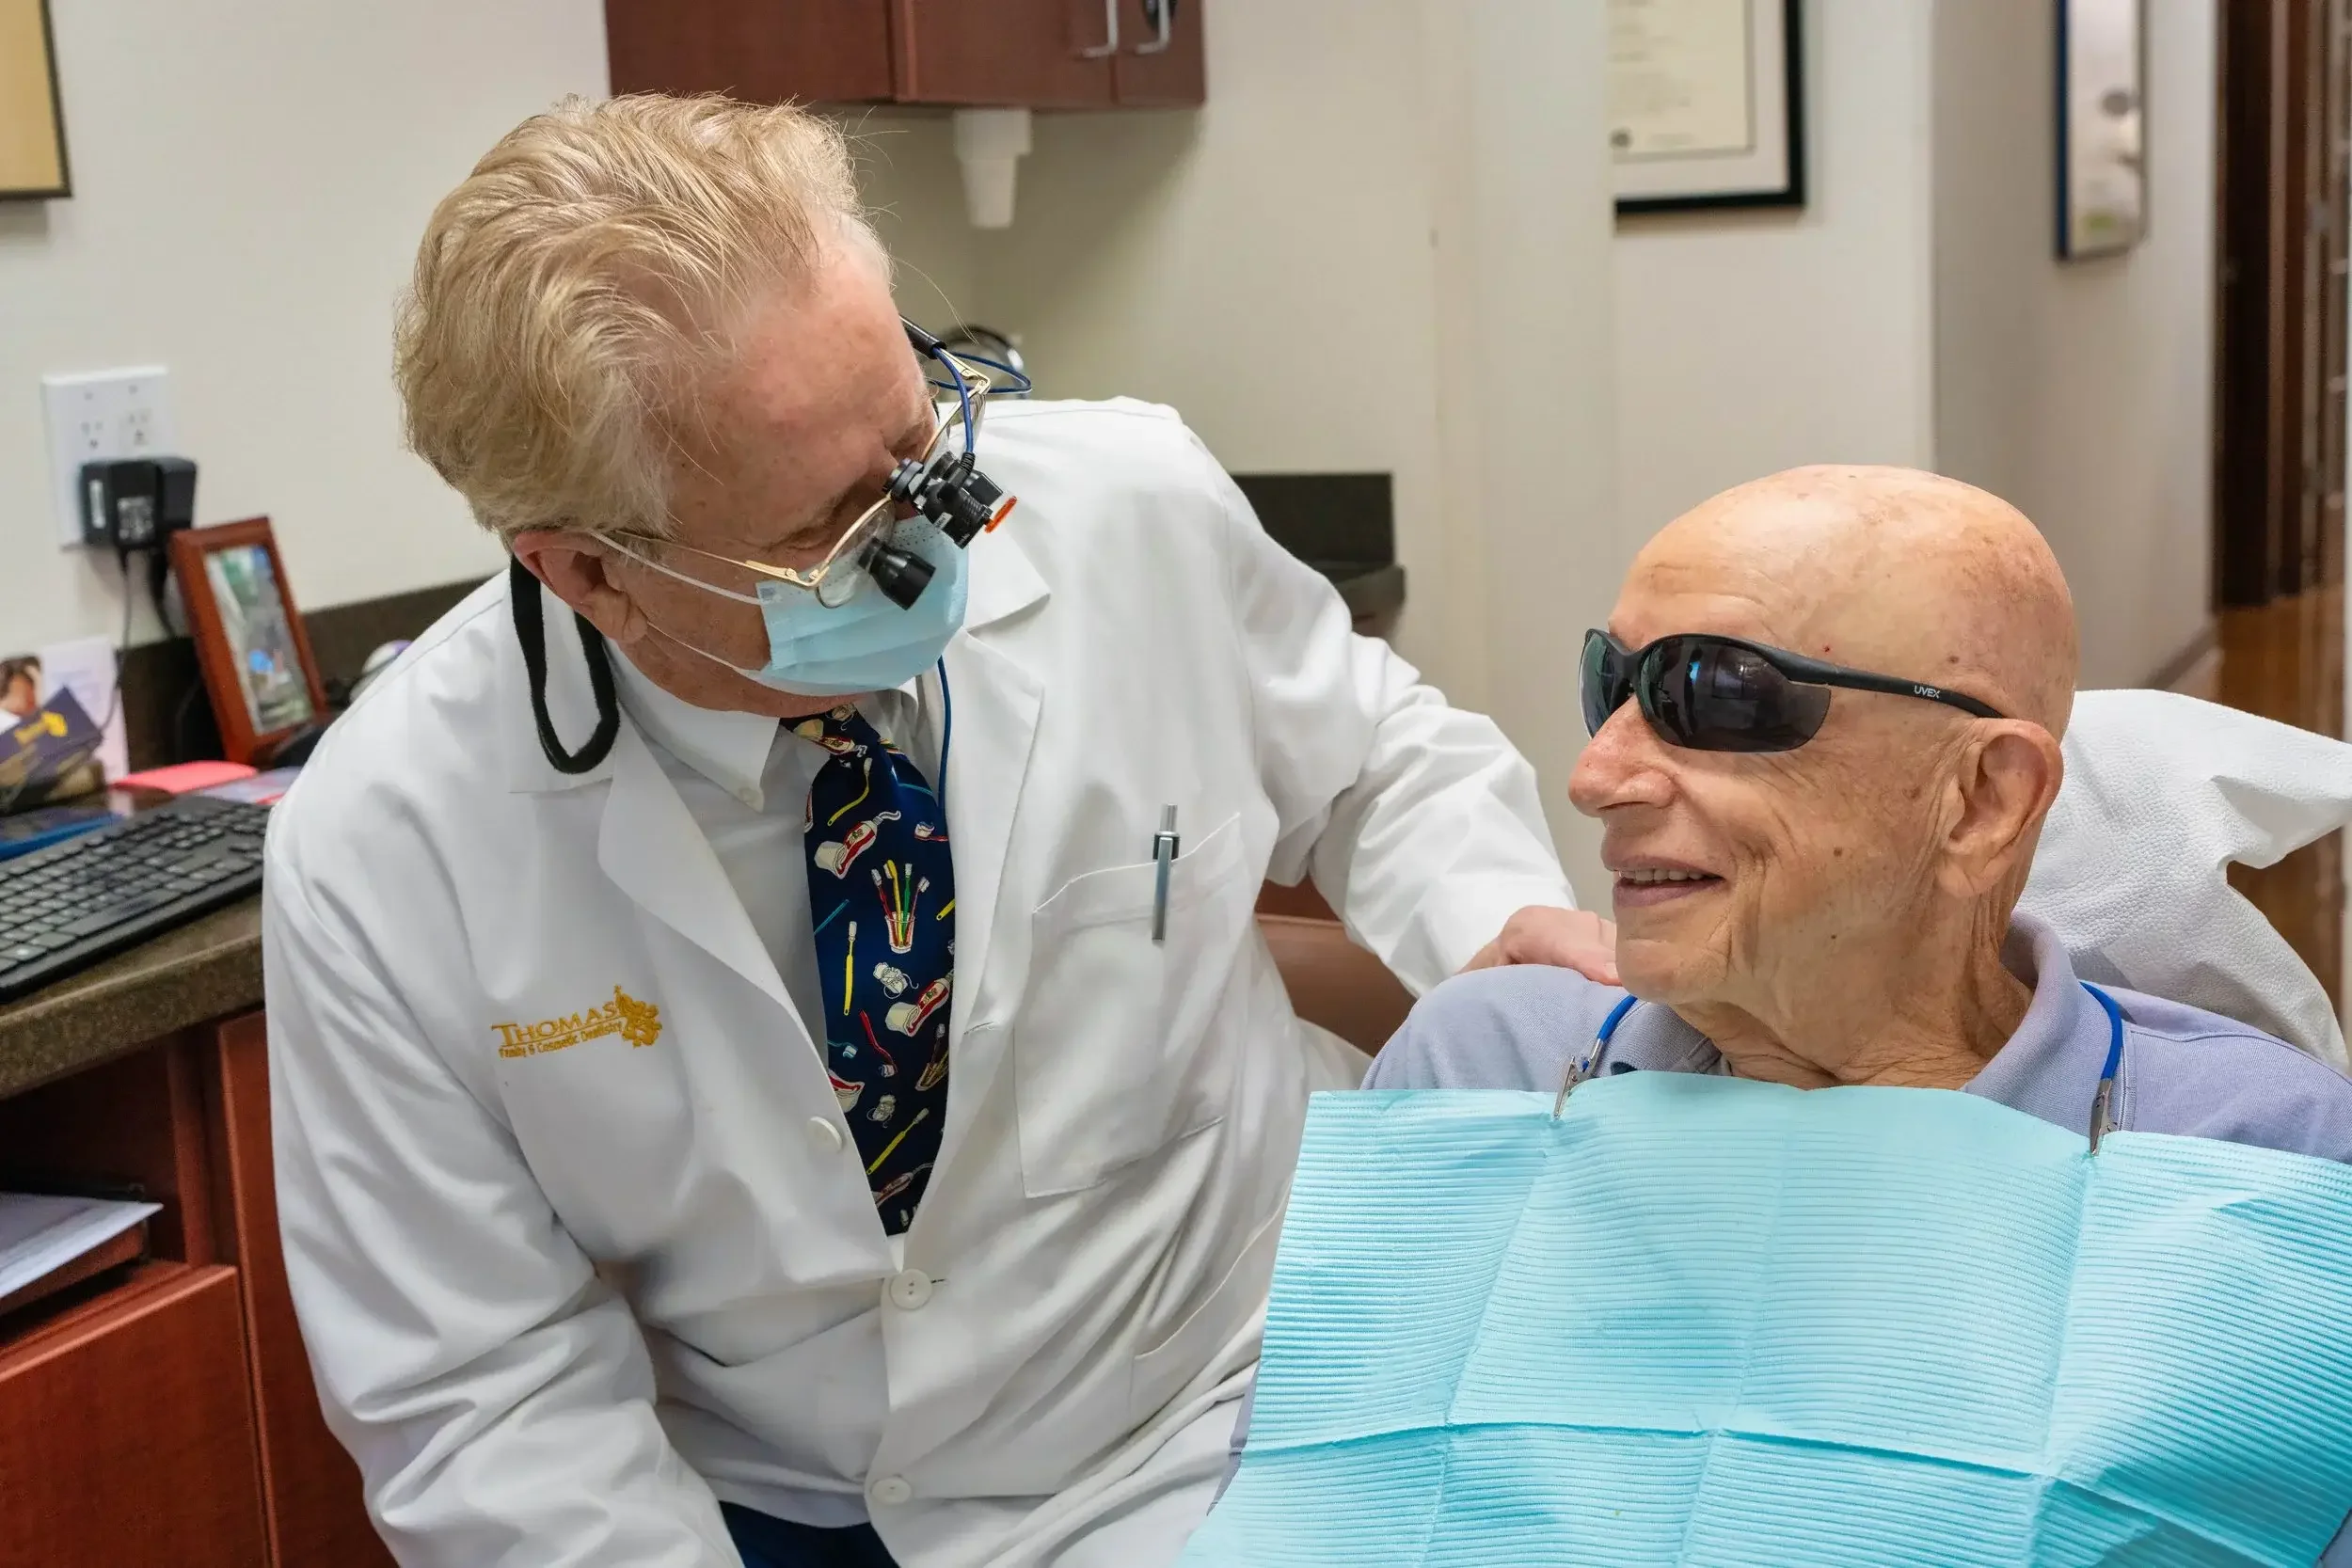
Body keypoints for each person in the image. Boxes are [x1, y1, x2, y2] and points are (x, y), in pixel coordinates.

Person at [261, 93, 1613, 1568]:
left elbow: (1379, 757)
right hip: (789, 1504)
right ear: (590, 568)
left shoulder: (1127, 507)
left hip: (1246, 1383)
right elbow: (481, 1395)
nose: (938, 524)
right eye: (835, 525)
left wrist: (1490, 934)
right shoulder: (385, 843)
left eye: (923, 428)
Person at [1281, 464, 2352, 1560]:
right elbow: (1324, 1504)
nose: (1597, 775)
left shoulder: (2263, 1158)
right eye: (1613, 685)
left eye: (1718, 694)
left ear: (1983, 800)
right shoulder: (1487, 1062)